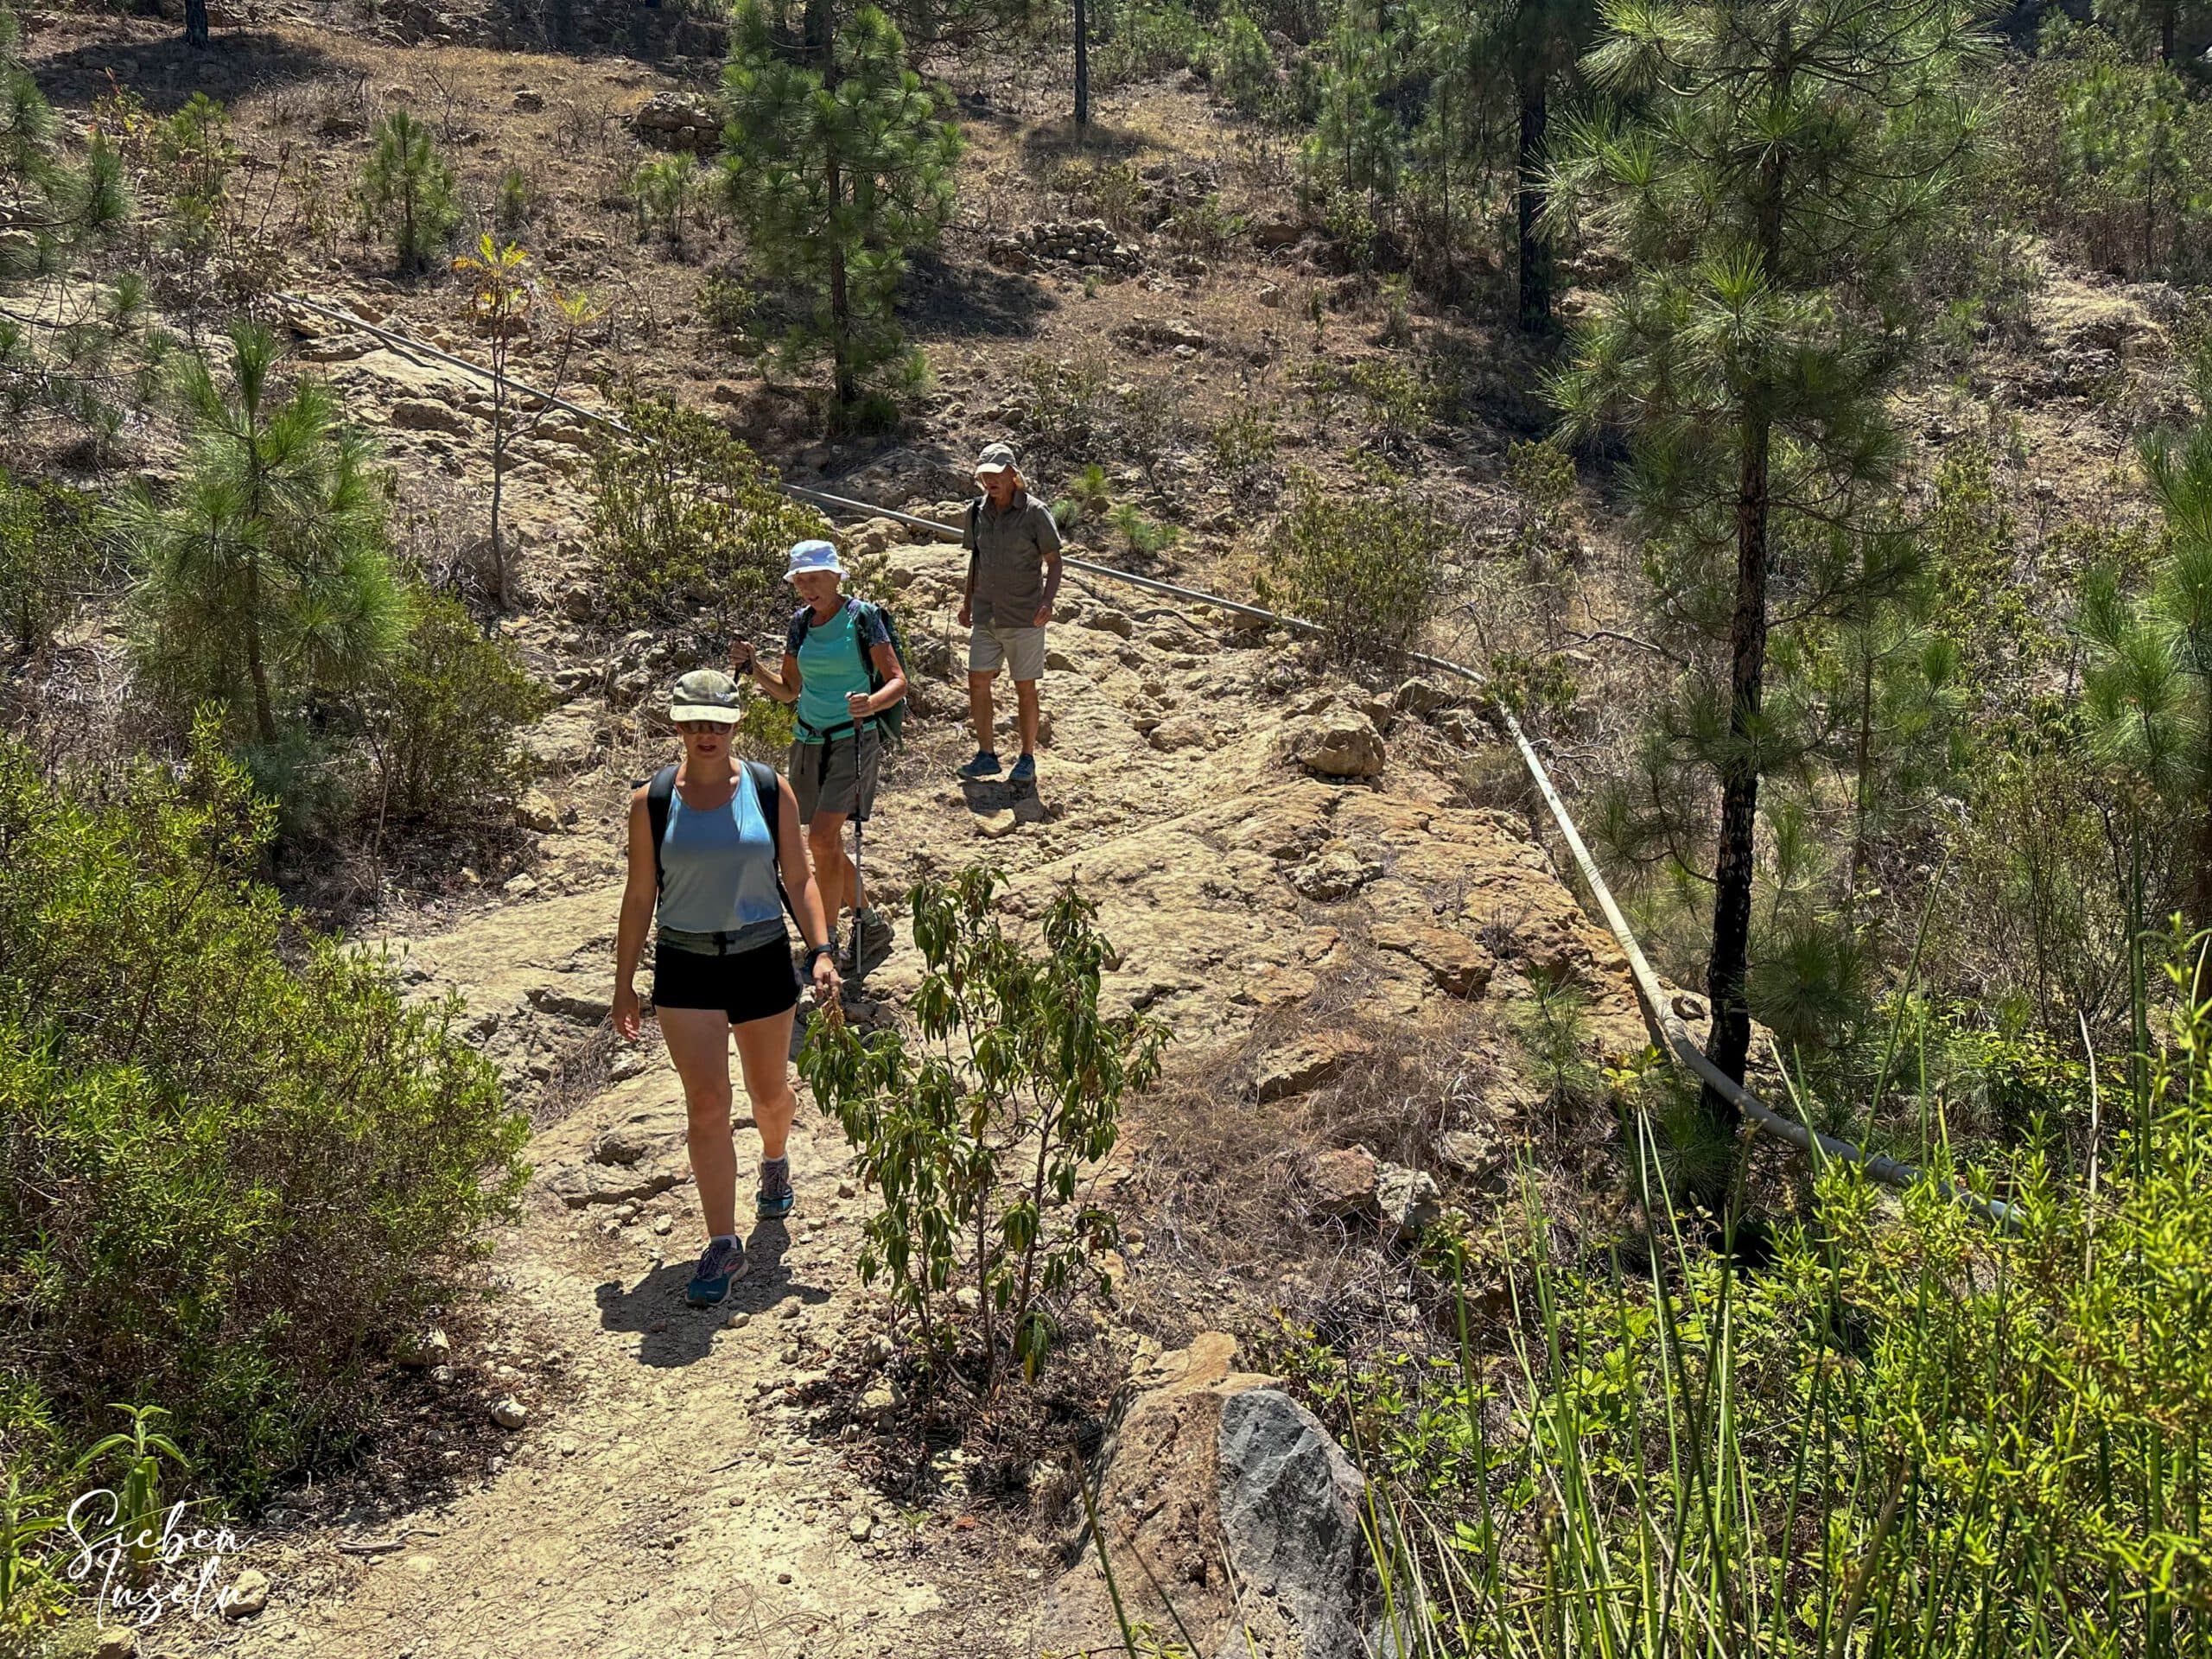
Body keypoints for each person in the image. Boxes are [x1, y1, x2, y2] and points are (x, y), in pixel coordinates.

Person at [613, 668, 841, 1308]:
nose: (704, 734)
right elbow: (639, 895)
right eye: (693, 723)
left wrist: (820, 949)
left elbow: (799, 878)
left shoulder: (770, 790)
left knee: (770, 1094)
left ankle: (775, 1158)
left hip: (761, 954)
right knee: (707, 1103)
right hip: (685, 965)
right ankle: (722, 1241)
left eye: (715, 722)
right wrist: (624, 981)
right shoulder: (651, 801)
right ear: (678, 726)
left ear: (735, 723)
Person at [731, 540, 906, 980]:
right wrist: (754, 668)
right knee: (824, 843)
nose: (807, 587)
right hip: (808, 739)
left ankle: (824, 943)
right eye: (800, 580)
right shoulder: (799, 624)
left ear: (835, 576)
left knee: (822, 841)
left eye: (814, 578)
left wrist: (872, 702)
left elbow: (898, 681)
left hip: (854, 738)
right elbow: (790, 691)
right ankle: (868, 919)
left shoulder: (862, 618)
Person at [957, 442, 1062, 788]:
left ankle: (1027, 758)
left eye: (996, 473)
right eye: (984, 474)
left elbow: (1054, 560)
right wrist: (966, 602)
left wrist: (1047, 601)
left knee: (1025, 687)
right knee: (977, 680)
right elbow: (975, 559)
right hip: (986, 613)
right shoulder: (976, 512)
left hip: (1024, 615)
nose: (990, 480)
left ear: (1013, 475)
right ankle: (986, 756)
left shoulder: (1035, 513)